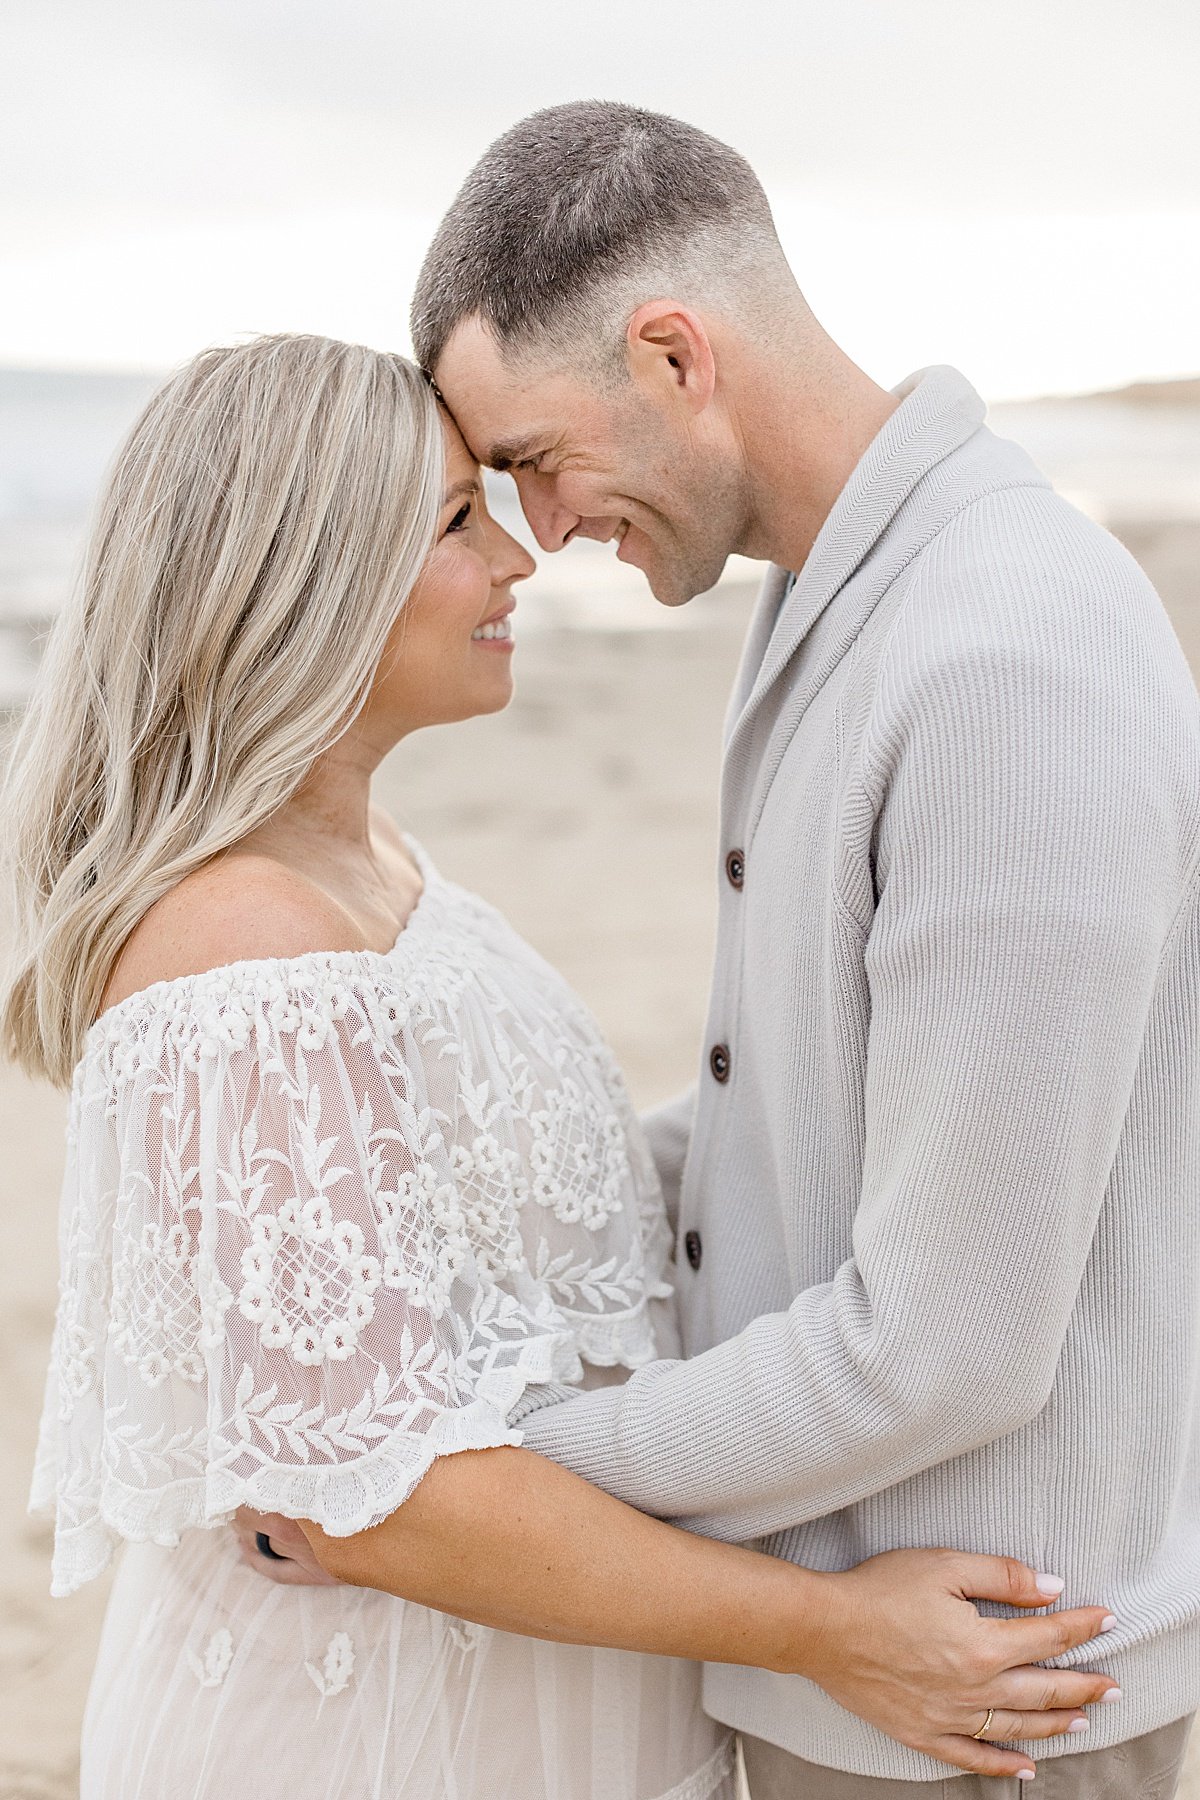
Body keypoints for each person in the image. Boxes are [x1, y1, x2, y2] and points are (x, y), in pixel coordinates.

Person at [5, 334, 1117, 1800]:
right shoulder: (243, 948)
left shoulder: (364, 859)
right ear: (307, 582)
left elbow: (519, 1195)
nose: (519, 560)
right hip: (374, 1745)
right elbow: (370, 1503)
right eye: (459, 523)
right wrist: (834, 1633)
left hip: (537, 1710)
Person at [405, 103, 1200, 1797]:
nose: (542, 532)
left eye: (538, 457)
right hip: (883, 1679)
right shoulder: (851, 599)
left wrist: (490, 1468)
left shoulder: (1000, 654)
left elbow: (947, 1344)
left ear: (675, 353)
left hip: (986, 1707)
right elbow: (799, 1106)